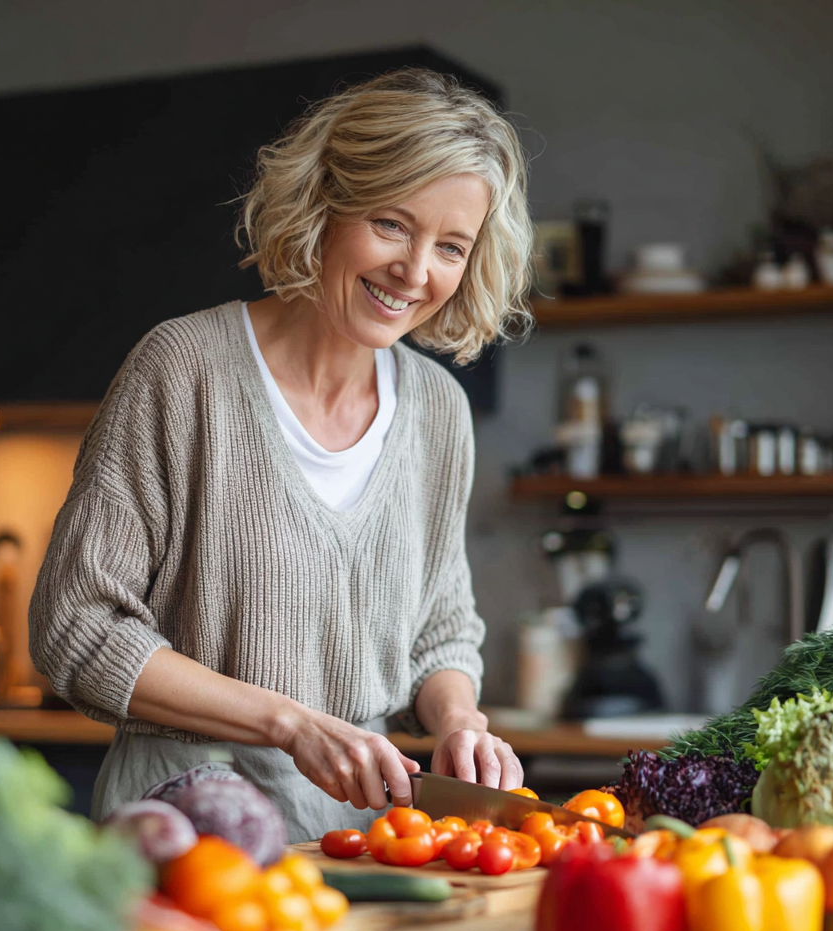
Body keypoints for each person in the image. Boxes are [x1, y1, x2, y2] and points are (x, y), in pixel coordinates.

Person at [29, 69, 535, 841]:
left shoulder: (438, 411)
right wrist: (289, 723)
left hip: (363, 841)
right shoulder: (183, 369)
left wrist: (459, 720)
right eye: (393, 224)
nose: (416, 270)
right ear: (325, 203)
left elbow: (440, 630)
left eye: (452, 246)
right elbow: (78, 626)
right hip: (186, 827)